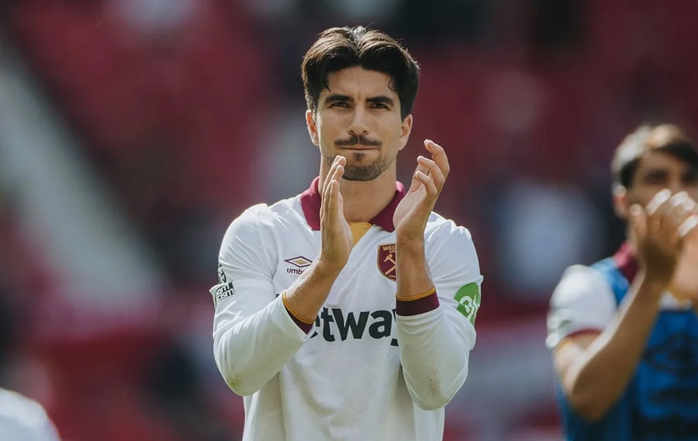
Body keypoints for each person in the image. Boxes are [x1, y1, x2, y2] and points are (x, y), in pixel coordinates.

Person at [209, 26, 482, 441]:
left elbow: (436, 388)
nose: (359, 124)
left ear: (404, 128)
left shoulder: (445, 244)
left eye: (378, 105)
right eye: (340, 104)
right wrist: (326, 268)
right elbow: (239, 372)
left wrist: (409, 247)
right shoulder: (258, 234)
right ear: (312, 124)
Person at [547, 123, 698, 440]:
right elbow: (587, 400)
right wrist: (653, 281)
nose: (677, 191)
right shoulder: (587, 287)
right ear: (623, 201)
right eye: (657, 178)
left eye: (689, 179)